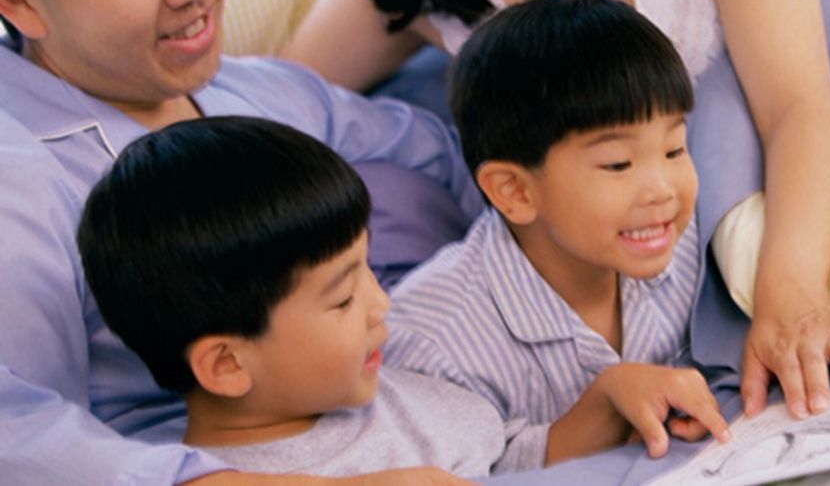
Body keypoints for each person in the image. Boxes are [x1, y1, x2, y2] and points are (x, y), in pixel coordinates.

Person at [284, 0, 830, 422]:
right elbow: (264, 99)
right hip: (616, 273)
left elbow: (797, 107)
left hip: (796, 179)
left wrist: (794, 295)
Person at [0, 0, 477, 483]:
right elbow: (17, 426)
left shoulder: (251, 89)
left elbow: (439, 154)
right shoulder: (21, 184)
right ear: (16, 0)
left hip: (424, 409)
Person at [77, 116, 532, 478]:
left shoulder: (394, 391)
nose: (381, 304)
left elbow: (513, 453)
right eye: (342, 300)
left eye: (367, 272)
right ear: (227, 365)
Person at [385, 0, 731, 466]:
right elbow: (470, 471)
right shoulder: (434, 342)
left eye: (673, 150)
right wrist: (604, 404)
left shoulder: (687, 239)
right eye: (617, 164)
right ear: (515, 191)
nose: (662, 189)